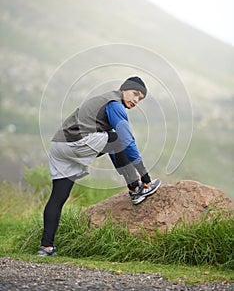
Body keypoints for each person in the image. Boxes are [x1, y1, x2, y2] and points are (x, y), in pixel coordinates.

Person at [38, 76, 161, 256]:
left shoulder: (106, 100)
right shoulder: (115, 104)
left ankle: (46, 247)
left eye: (140, 98)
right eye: (135, 94)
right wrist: (144, 175)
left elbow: (113, 147)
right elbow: (126, 141)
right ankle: (135, 189)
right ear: (124, 89)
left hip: (59, 146)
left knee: (58, 198)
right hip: (76, 142)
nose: (136, 100)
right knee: (118, 137)